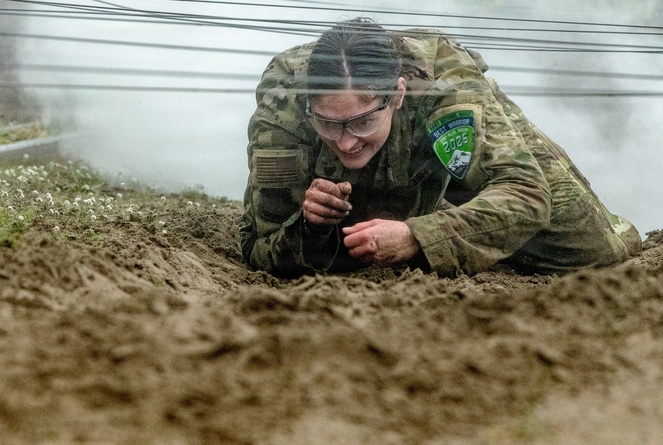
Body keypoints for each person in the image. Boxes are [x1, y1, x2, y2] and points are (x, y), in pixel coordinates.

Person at [240, 18, 641, 278]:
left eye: (362, 122)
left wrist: (419, 236)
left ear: (396, 96)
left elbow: (527, 194)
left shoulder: (445, 88)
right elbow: (260, 247)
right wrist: (312, 228)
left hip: (435, 147)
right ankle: (415, 208)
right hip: (368, 184)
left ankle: (438, 207)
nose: (345, 141)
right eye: (328, 123)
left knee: (593, 249)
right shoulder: (284, 104)